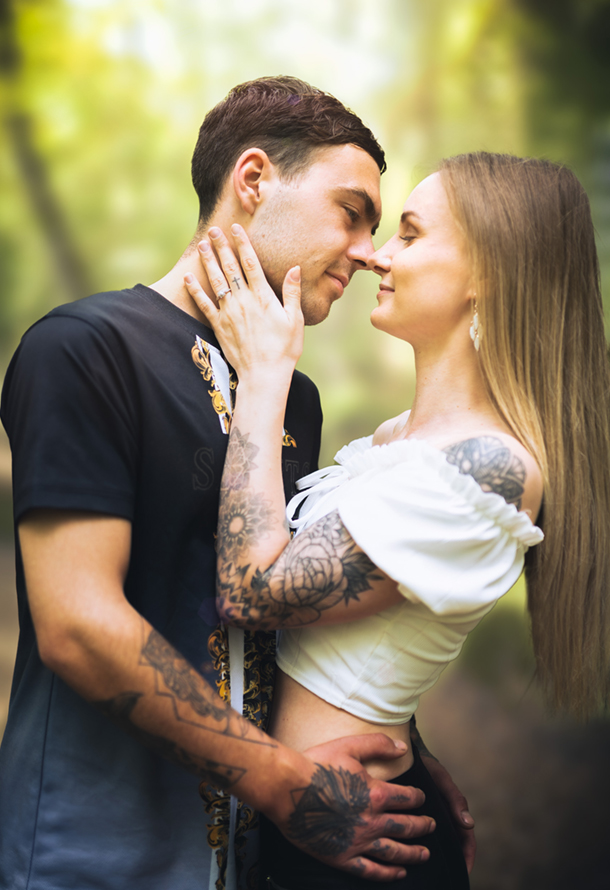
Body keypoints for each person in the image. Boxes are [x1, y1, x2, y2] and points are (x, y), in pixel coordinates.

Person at [0, 77, 473, 890]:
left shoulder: (293, 396)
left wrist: (406, 757)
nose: (368, 250)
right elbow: (77, 624)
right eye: (351, 211)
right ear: (252, 181)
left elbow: (298, 605)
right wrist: (289, 786)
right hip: (92, 859)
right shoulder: (84, 348)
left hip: (252, 862)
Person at [184, 150, 610, 889]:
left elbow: (249, 591)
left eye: (409, 234)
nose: (378, 256)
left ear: (488, 274)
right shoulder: (395, 441)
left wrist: (264, 376)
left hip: (365, 860)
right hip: (317, 827)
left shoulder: (488, 470)